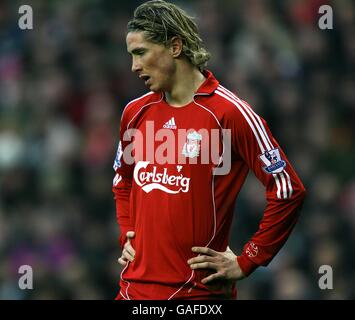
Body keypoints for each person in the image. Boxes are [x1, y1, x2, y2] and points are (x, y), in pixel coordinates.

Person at [112, 0, 306, 300]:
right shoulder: (135, 113)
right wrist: (127, 233)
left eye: (141, 53)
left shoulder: (230, 113)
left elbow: (287, 189)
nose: (134, 66)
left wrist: (248, 260)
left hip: (198, 296)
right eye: (131, 56)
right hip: (133, 292)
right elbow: (122, 180)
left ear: (174, 47)